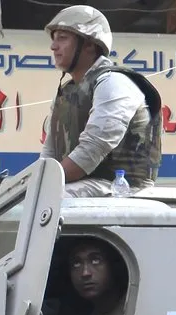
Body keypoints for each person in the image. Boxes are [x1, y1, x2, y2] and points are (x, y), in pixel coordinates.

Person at [40, 5, 163, 198]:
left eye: (62, 38)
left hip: (122, 188)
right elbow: (49, 154)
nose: (53, 47)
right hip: (84, 183)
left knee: (47, 198)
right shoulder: (67, 91)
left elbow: (91, 151)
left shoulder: (113, 82)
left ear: (89, 44)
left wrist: (40, 183)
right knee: (27, 198)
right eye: (54, 39)